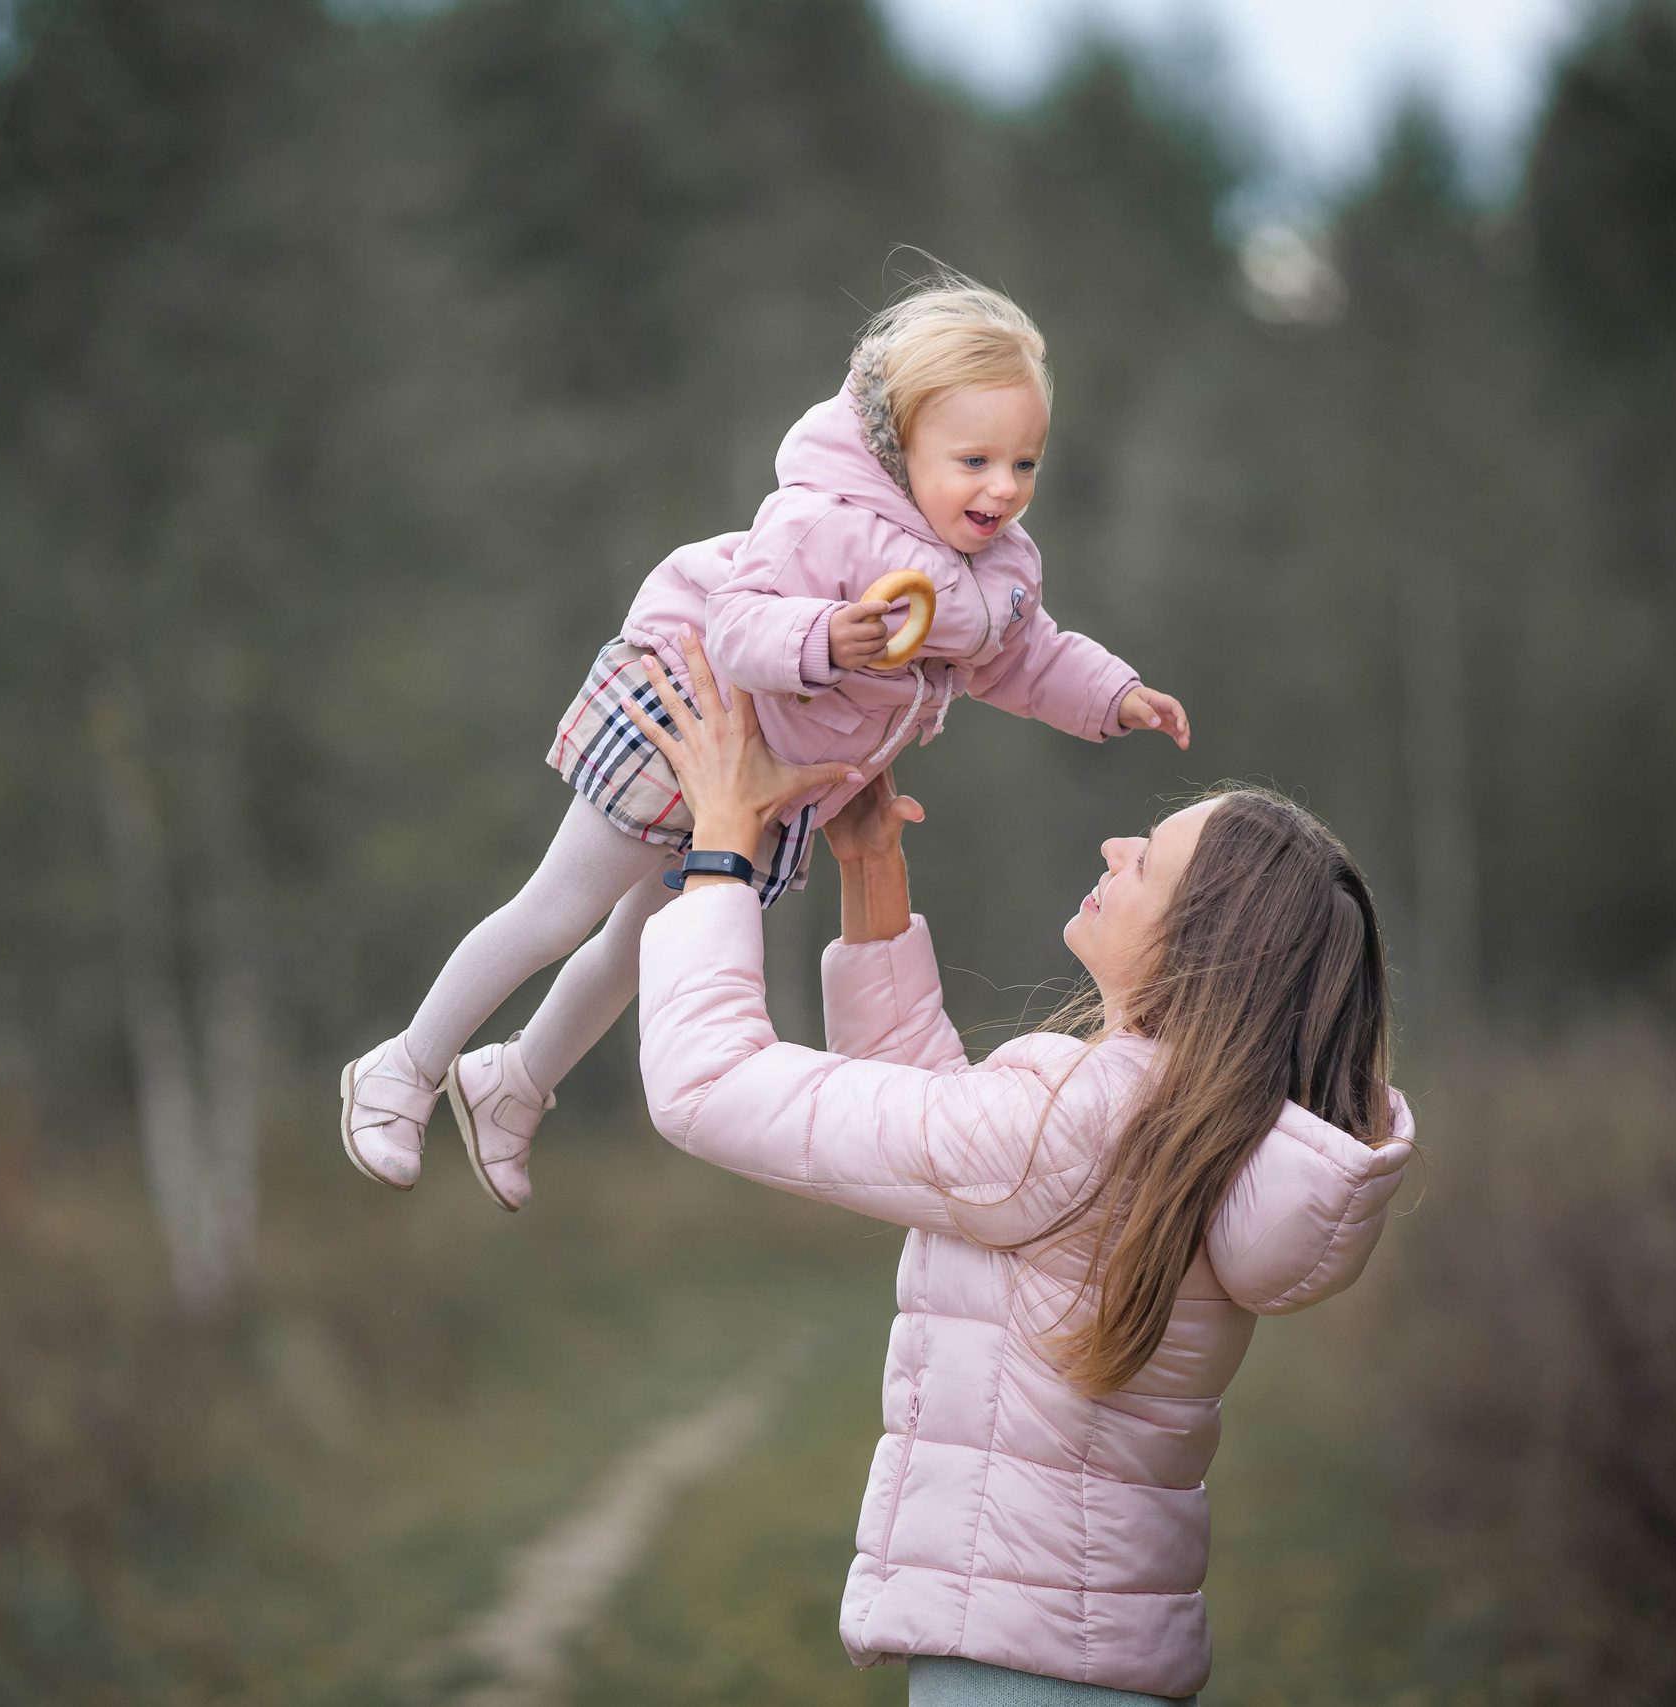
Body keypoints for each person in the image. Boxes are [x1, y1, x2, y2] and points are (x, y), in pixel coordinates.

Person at [626, 630, 1413, 1704]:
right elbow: (959, 1161)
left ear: (1202, 942)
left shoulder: (1085, 1114)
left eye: (1151, 859)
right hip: (1074, 1665)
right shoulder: (1171, 1120)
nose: (1112, 847)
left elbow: (706, 1086)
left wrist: (720, 851)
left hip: (1017, 1674)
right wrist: (872, 873)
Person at [342, 273, 1192, 1211]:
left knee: (641, 950)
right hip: (697, 718)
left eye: (1024, 464)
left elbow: (1025, 657)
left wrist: (1113, 696)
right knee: (559, 908)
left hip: (773, 782)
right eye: (976, 460)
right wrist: (822, 638)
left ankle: (513, 1084)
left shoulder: (998, 572)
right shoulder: (824, 521)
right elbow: (740, 621)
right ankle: (404, 1065)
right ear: (900, 444)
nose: (1003, 489)